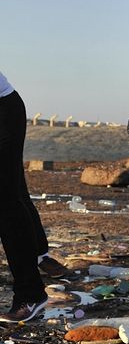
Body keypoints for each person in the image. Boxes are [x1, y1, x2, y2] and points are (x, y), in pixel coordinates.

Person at [0, 71, 72, 323]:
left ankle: (30, 294)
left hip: (3, 112)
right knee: (15, 193)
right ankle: (39, 253)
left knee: (6, 205)